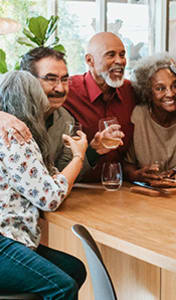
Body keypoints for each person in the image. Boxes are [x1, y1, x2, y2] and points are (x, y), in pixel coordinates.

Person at [0, 70, 87, 298]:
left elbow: (40, 180)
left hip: (10, 237)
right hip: (3, 241)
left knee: (73, 269)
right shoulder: (17, 137)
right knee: (63, 287)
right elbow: (49, 198)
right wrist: (78, 157)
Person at [20, 47, 123, 180]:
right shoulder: (8, 117)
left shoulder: (66, 120)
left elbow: (65, 173)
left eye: (64, 80)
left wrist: (94, 150)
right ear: (27, 81)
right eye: (51, 79)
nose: (60, 88)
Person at [64, 32, 136, 182]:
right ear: (90, 60)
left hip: (121, 188)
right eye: (111, 55)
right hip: (79, 188)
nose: (120, 61)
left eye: (122, 55)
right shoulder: (67, 90)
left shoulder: (131, 91)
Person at [124, 52, 176, 182]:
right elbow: (127, 164)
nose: (170, 93)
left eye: (175, 85)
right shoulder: (138, 116)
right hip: (145, 194)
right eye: (160, 88)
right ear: (148, 92)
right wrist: (136, 175)